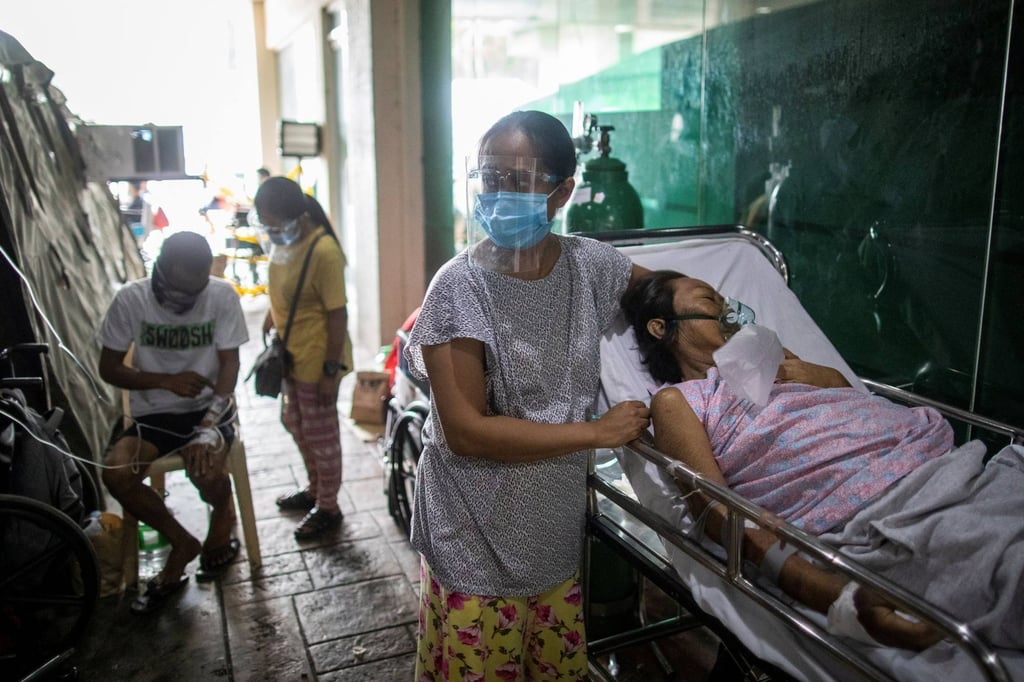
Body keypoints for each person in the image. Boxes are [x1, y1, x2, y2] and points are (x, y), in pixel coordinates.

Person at [621, 269, 1024, 651]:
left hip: (956, 469)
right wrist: (832, 596)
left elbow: (857, 405)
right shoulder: (679, 401)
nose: (729, 310)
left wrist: (807, 371)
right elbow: (716, 510)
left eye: (728, 300)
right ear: (662, 327)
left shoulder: (778, 359)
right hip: (885, 514)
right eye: (711, 300)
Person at [404, 110, 652, 680]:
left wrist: (698, 304)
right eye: (491, 179)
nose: (498, 194)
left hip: (552, 541)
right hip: (476, 542)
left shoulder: (587, 265)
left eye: (518, 181)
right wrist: (597, 431)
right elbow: (467, 433)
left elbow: (651, 287)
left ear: (563, 191)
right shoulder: (458, 288)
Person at [99, 231, 248, 614]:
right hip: (155, 412)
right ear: (157, 271)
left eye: (191, 295)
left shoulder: (220, 296)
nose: (182, 303)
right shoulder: (131, 299)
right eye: (175, 293)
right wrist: (164, 381)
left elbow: (229, 364)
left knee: (207, 471)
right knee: (116, 473)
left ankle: (223, 513)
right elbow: (109, 367)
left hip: (207, 410)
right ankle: (182, 542)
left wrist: (207, 427)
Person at [251, 177, 352, 540]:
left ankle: (329, 506)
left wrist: (329, 371)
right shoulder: (285, 243)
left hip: (316, 358)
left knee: (321, 434)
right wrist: (271, 316)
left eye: (273, 221)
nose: (270, 229)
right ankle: (315, 488)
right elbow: (281, 287)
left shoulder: (323, 251)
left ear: (293, 215)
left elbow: (338, 315)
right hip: (290, 353)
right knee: (293, 421)